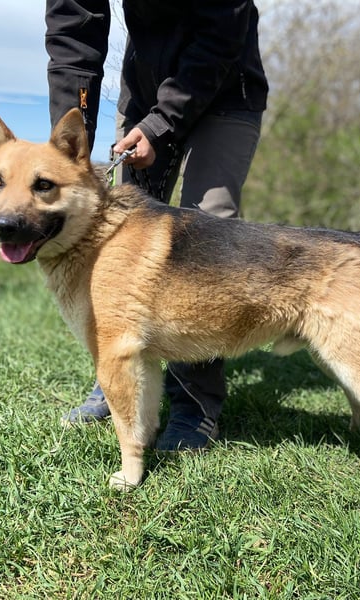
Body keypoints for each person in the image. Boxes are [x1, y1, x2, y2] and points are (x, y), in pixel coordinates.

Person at [44, 0, 268, 450]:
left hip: (225, 84)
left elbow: (222, 30)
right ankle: (116, 375)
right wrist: (72, 143)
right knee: (118, 234)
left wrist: (162, 122)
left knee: (209, 230)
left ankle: (193, 403)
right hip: (146, 85)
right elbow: (74, 34)